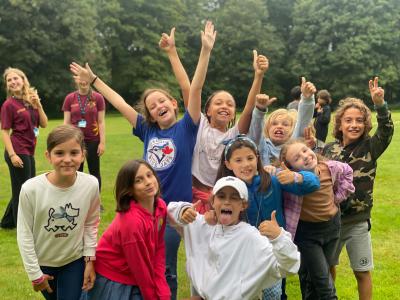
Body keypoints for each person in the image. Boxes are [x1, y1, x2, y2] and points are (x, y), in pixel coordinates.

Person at [70, 21, 216, 300]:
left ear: (173, 103)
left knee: (191, 265)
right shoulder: (147, 130)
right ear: (149, 114)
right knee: (163, 268)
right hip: (151, 211)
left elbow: (194, 89)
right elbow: (120, 103)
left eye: (162, 101)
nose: (158, 106)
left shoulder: (186, 127)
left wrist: (204, 51)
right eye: (152, 106)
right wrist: (95, 80)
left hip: (179, 208)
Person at [159, 27, 269, 214]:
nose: (225, 106)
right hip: (194, 195)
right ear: (207, 110)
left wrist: (258, 76)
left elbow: (249, 109)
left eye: (230, 104)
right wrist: (173, 52)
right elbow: (190, 88)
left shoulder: (233, 136)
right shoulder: (199, 124)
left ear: (234, 113)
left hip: (223, 197)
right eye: (218, 103)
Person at [215, 135, 320, 299]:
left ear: (257, 158)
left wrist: (296, 177)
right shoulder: (227, 191)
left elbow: (313, 183)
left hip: (275, 247)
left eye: (250, 158)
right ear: (228, 164)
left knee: (276, 293)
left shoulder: (272, 180)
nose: (246, 164)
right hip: (244, 251)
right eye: (238, 160)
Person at [168, 176, 301, 300]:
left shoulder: (251, 237)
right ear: (213, 201)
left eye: (234, 198)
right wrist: (183, 211)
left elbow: (289, 266)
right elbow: (167, 211)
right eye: (221, 196)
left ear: (243, 205)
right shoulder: (201, 224)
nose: (227, 202)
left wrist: (279, 237)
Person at [322, 77, 394, 300]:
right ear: (340, 124)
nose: (354, 124)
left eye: (360, 121)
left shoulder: (370, 147)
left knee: (362, 271)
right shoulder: (329, 149)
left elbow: (387, 130)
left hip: (357, 222)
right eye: (349, 120)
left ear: (366, 125)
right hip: (331, 221)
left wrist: (379, 105)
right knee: (327, 269)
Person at [16, 124, 100, 300]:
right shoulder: (31, 189)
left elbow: (91, 222)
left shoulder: (91, 184)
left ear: (83, 155)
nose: (67, 159)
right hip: (44, 264)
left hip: (74, 261)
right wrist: (34, 274)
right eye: (59, 153)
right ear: (48, 156)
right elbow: (24, 234)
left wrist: (90, 259)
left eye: (74, 153)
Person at [280, 139, 355, 299]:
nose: (305, 156)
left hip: (332, 229)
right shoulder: (294, 182)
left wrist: (339, 196)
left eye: (305, 150)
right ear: (290, 167)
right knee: (323, 282)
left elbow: (348, 171)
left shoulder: (330, 168)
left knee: (315, 278)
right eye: (297, 158)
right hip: (308, 236)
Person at [84, 160, 170, 300]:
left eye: (149, 175)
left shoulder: (160, 206)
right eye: (139, 180)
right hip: (114, 278)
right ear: (129, 190)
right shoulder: (132, 223)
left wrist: (162, 287)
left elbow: (158, 249)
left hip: (136, 271)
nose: (148, 182)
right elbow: (140, 269)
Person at [0, 67, 48, 229]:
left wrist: (38, 104)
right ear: (7, 85)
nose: (13, 82)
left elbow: (44, 123)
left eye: (16, 78)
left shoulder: (30, 101)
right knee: (24, 189)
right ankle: (23, 226)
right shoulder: (8, 105)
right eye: (9, 80)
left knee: (25, 187)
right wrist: (12, 155)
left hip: (29, 150)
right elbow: (5, 131)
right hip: (17, 150)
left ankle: (7, 223)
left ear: (23, 79)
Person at [248, 77, 316, 168]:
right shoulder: (262, 146)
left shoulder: (295, 145)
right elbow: (256, 131)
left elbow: (303, 122)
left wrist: (307, 100)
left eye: (285, 124)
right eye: (274, 124)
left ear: (293, 130)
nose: (279, 126)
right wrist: (259, 110)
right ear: (267, 128)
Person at [63, 76, 106, 190]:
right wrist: (65, 142)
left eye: (86, 78)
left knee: (94, 171)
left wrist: (102, 142)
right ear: (76, 80)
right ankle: (77, 199)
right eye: (80, 79)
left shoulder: (98, 98)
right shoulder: (69, 98)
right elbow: (66, 123)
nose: (83, 81)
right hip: (75, 141)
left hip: (93, 141)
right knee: (76, 171)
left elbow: (101, 122)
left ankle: (96, 200)